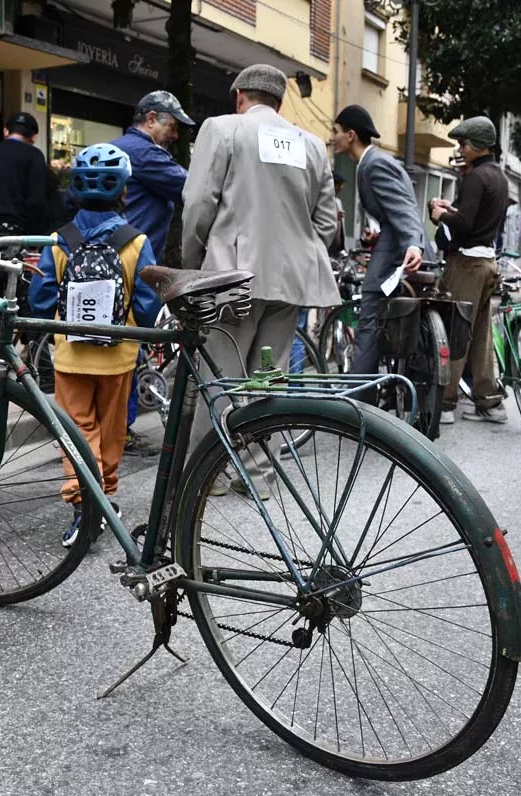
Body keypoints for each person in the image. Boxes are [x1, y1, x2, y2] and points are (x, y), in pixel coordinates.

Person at [182, 64, 340, 497]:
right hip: (289, 280)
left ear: (239, 96)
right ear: (280, 102)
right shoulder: (311, 145)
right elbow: (326, 223)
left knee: (219, 379)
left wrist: (194, 264)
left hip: (232, 277)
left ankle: (206, 478)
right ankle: (257, 475)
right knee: (268, 380)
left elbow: (198, 204)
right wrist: (296, 249)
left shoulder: (224, 129)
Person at [29, 143, 161, 548]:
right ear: (123, 191)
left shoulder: (59, 239)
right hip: (120, 354)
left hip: (71, 354)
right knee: (112, 429)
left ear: (74, 192)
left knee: (76, 430)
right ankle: (104, 497)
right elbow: (148, 301)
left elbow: (40, 299)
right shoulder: (135, 241)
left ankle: (84, 501)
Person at [110, 91, 196, 457]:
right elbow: (193, 188)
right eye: (171, 126)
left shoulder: (117, 146)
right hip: (132, 261)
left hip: (117, 257)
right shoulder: (144, 153)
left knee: (125, 343)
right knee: (128, 343)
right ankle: (119, 428)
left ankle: (116, 424)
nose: (174, 135)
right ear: (150, 119)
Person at [331, 104, 426, 381]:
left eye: (335, 131)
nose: (332, 137)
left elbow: (404, 208)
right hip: (394, 244)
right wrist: (379, 235)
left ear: (350, 135)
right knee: (391, 322)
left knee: (368, 324)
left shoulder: (374, 164)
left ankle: (361, 400)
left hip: (397, 254)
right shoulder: (370, 164)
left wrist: (412, 244)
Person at [428, 116, 510, 424]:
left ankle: (446, 404)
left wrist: (440, 215)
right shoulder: (498, 177)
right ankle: (489, 403)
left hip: (467, 264)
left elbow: (464, 224)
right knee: (481, 337)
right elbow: (477, 219)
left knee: (456, 333)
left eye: (463, 143)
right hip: (488, 263)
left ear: (476, 145)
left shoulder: (476, 177)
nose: (460, 148)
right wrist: (454, 210)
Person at [0, 112, 48, 331]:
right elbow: (36, 202)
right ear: (33, 136)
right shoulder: (33, 156)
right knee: (23, 301)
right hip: (12, 234)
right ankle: (38, 362)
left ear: (6, 131)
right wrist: (35, 238)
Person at [329, 170, 348, 258]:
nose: (341, 187)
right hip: (327, 247)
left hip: (337, 249)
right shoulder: (324, 201)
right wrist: (334, 217)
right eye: (339, 184)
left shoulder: (338, 202)